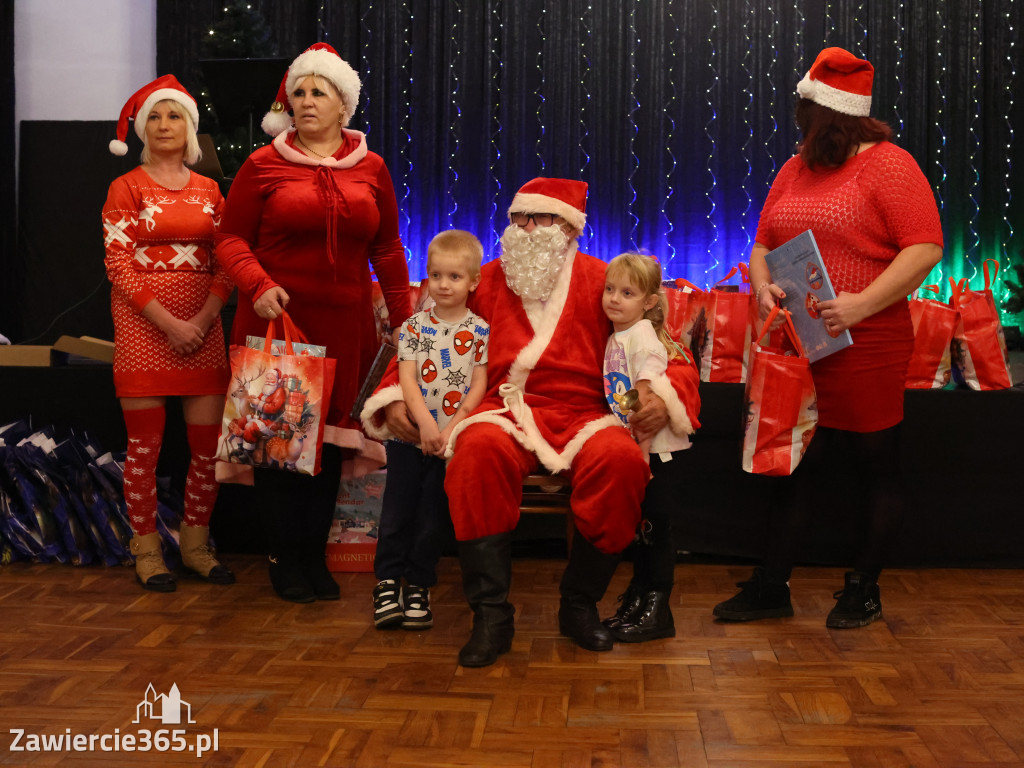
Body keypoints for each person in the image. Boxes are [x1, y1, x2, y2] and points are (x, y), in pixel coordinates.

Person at [363, 178, 700, 666]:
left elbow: (669, 350)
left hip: (588, 413)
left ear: (567, 228)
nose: (523, 229)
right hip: (503, 408)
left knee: (622, 462)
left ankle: (578, 605)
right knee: (475, 455)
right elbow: (429, 334)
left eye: (537, 219)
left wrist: (663, 398)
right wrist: (394, 397)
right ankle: (491, 616)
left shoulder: (604, 281)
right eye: (517, 218)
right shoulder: (485, 280)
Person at [713, 48, 943, 628]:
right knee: (795, 463)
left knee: (874, 462)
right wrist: (763, 286)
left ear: (835, 118)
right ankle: (772, 584)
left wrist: (861, 305)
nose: (801, 128)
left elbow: (925, 247)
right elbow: (763, 242)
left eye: (807, 117)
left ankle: (863, 588)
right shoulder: (795, 168)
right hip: (800, 342)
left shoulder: (890, 165)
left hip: (868, 343)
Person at [216, 43, 412, 604]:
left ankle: (313, 556)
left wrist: (407, 325)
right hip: (276, 320)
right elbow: (228, 239)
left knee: (324, 441)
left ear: (343, 104)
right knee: (280, 443)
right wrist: (258, 285)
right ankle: (283, 559)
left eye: (317, 91)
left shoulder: (371, 167)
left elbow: (389, 249)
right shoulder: (263, 163)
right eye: (297, 92)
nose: (304, 101)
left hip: (345, 326)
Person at [102, 75, 235, 591]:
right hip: (143, 331)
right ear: (141, 129)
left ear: (190, 128)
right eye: (154, 116)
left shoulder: (211, 191)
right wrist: (169, 323)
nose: (164, 125)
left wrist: (200, 323)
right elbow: (118, 265)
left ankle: (196, 546)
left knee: (207, 450)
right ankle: (148, 551)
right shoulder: (125, 187)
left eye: (174, 115)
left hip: (202, 331)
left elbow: (226, 263)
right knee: (145, 452)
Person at [371, 230, 489, 630]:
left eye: (455, 277)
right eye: (436, 275)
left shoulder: (480, 331)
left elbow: (477, 385)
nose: (444, 284)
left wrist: (451, 429)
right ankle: (387, 583)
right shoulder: (414, 328)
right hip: (411, 440)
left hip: (448, 443)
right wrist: (424, 425)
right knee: (397, 512)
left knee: (433, 517)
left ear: (473, 282)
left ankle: (419, 583)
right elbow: (407, 380)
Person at [599, 253, 696, 642]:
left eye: (627, 292)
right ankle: (638, 597)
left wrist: (637, 448)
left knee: (656, 530)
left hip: (656, 450)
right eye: (610, 289)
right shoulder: (619, 334)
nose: (614, 299)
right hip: (642, 447)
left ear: (650, 302)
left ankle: (658, 608)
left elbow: (641, 392)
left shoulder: (640, 335)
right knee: (641, 530)